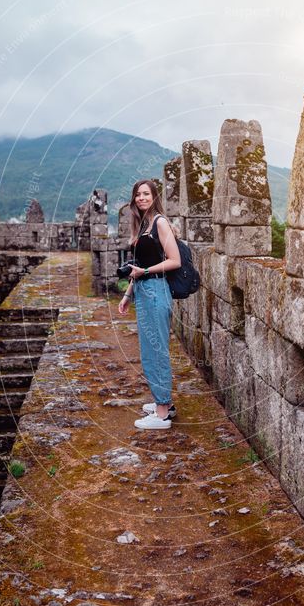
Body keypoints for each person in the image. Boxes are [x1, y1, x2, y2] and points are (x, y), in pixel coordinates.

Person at [118, 179, 181, 429]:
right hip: (145, 291)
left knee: (156, 352)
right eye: (137, 194)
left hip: (155, 291)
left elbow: (174, 261)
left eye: (146, 194)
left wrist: (144, 271)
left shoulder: (159, 223)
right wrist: (127, 294)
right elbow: (138, 269)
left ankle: (162, 413)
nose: (141, 198)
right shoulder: (144, 224)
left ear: (155, 197)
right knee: (149, 350)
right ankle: (163, 402)